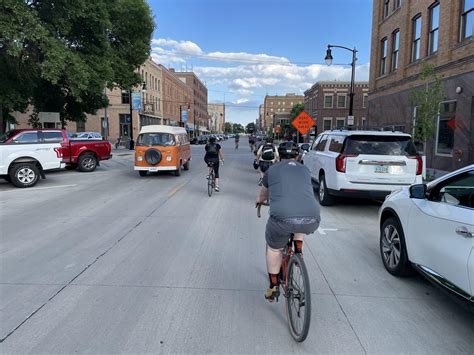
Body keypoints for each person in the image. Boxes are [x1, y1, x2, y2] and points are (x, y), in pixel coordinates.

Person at [256, 141, 320, 302]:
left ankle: (273, 286)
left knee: (274, 249)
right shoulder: (305, 170)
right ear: (297, 156)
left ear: (279, 156)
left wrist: (259, 201)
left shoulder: (272, 170)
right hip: (312, 216)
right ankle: (298, 252)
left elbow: (264, 193)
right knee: (299, 217)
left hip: (282, 218)